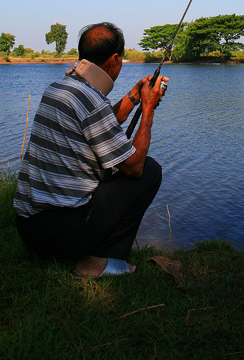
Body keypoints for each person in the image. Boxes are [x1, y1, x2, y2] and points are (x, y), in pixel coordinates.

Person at [13, 22, 167, 277]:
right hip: (62, 236)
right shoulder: (92, 101)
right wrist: (148, 108)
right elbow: (135, 166)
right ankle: (101, 260)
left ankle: (93, 252)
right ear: (115, 60)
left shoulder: (59, 88)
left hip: (29, 228)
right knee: (150, 171)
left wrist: (134, 95)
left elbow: (100, 122)